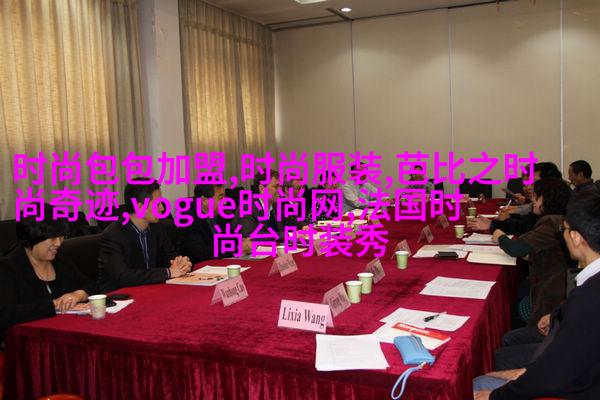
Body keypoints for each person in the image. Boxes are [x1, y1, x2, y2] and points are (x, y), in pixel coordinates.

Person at [474, 188, 600, 399]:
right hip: (571, 371)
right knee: (511, 342)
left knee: (479, 384)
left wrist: (496, 395)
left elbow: (559, 371)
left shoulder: (588, 298)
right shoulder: (589, 288)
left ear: (576, 237)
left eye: (565, 230)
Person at [0, 207, 96, 341]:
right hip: (27, 341)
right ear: (32, 237)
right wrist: (54, 304)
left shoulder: (60, 259)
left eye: (61, 236)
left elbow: (91, 284)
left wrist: (78, 294)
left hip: (67, 334)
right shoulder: (8, 267)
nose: (58, 243)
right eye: (52, 238)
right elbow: (6, 313)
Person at [492, 178, 573, 325]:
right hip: (553, 284)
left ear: (548, 200)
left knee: (512, 307)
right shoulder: (559, 219)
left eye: (537, 197)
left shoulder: (551, 223)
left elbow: (516, 248)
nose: (533, 201)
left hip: (550, 294)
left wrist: (500, 236)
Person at [97, 179, 191, 292]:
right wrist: (168, 272)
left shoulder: (156, 227)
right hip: (120, 296)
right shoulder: (113, 236)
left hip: (151, 290)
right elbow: (123, 277)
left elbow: (169, 255)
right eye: (157, 204)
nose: (162, 208)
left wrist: (181, 263)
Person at [177, 183, 251, 263]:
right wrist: (237, 249)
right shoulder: (188, 221)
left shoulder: (220, 215)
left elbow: (232, 238)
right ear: (204, 201)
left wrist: (243, 242)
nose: (225, 202)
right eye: (221, 198)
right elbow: (202, 253)